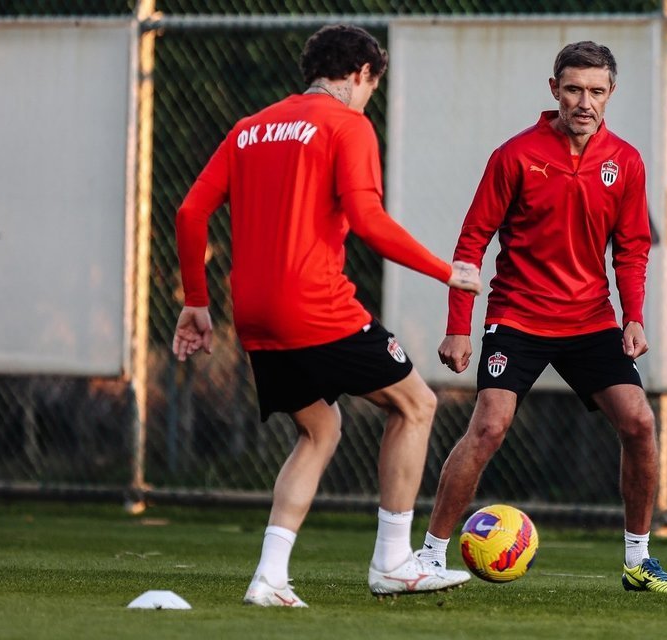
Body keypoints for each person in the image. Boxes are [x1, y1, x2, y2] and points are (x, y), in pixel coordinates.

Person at [171, 24, 481, 606]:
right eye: (371, 88)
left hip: (254, 314)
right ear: (362, 74)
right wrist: (446, 271)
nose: (368, 100)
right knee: (416, 405)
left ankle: (269, 578)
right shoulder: (347, 124)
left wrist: (196, 300)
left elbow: (190, 213)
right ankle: (393, 562)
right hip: (315, 304)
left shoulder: (248, 128)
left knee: (319, 429)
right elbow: (369, 221)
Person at [418, 41, 667, 594]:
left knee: (639, 423)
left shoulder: (626, 161)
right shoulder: (515, 155)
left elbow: (632, 249)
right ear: (554, 90)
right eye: (573, 89)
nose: (584, 102)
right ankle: (428, 556)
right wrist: (458, 326)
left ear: (611, 93)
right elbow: (472, 241)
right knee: (488, 427)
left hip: (590, 320)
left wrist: (633, 317)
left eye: (596, 91)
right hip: (517, 316)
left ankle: (638, 560)